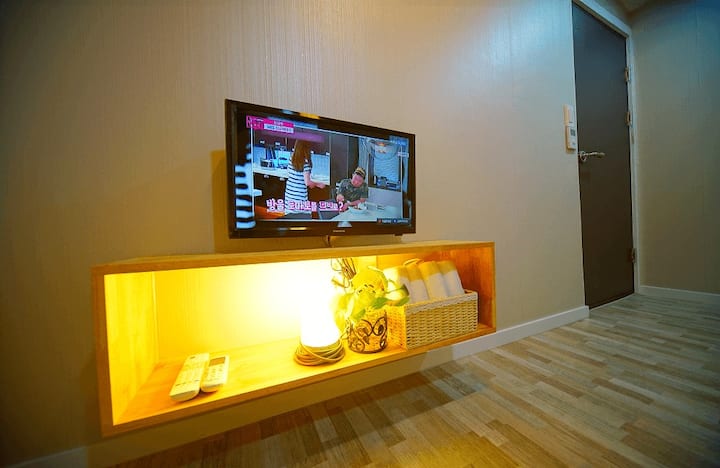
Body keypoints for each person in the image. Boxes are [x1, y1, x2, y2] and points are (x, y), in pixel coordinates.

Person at [284, 140, 326, 210]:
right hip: (299, 197)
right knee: (303, 215)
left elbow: (290, 173)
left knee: (289, 214)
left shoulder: (291, 159)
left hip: (289, 195)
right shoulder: (305, 163)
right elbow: (307, 182)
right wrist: (319, 184)